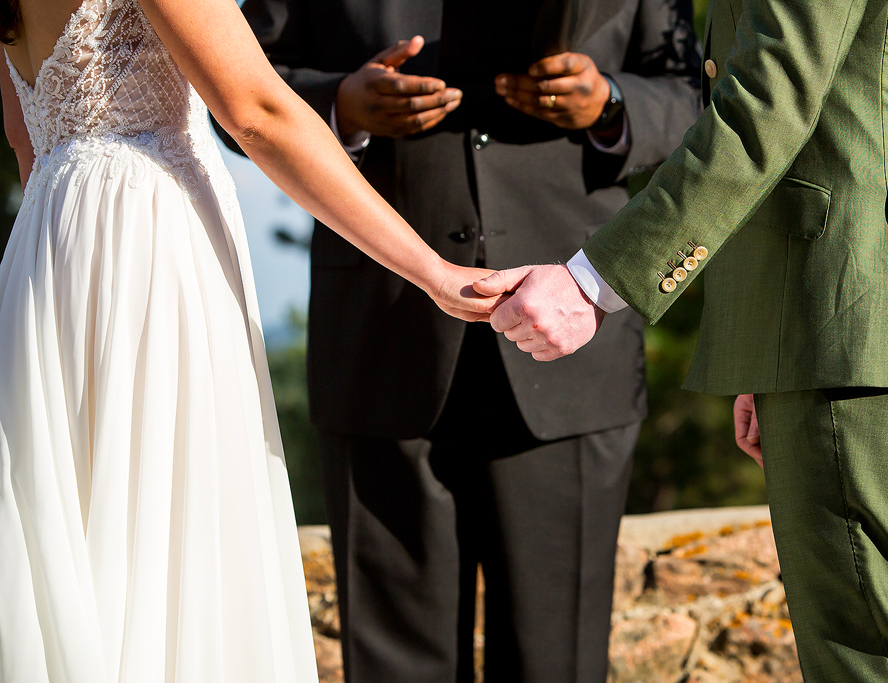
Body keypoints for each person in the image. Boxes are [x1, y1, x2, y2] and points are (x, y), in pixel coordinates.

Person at [474, 0, 888, 681]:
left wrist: (597, 279)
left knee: (870, 663)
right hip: (839, 318)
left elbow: (771, 95)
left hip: (850, 309)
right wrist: (767, 338)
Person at [0, 0, 501, 680]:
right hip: (145, 248)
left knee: (72, 534)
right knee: (165, 544)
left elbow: (27, 146)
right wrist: (432, 271)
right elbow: (258, 113)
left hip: (46, 252)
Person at [231, 1, 702, 681]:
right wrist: (341, 106)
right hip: (381, 335)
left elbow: (694, 93)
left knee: (556, 662)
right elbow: (241, 81)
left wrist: (610, 103)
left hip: (568, 340)